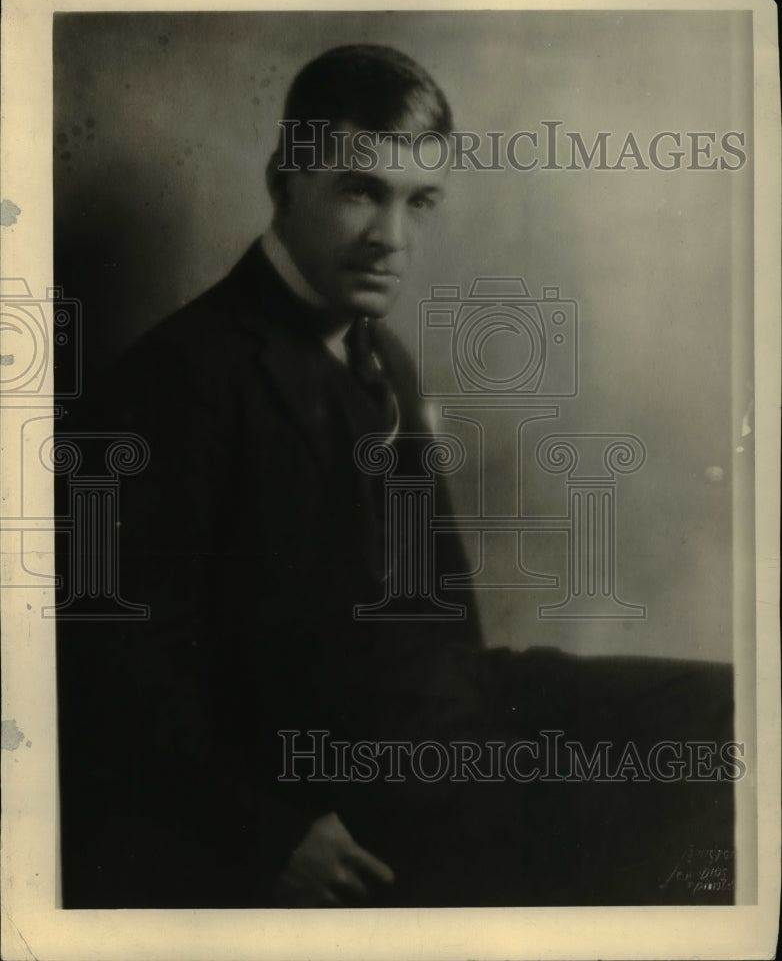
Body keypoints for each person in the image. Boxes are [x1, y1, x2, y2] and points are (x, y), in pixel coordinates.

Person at [57, 44, 735, 909]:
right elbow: (112, 674)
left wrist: (484, 731)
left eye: (420, 202)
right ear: (283, 180)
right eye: (359, 191)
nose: (392, 239)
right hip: (335, 772)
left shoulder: (385, 358)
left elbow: (443, 606)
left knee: (727, 717)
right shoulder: (179, 380)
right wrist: (267, 837)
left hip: (450, 716)